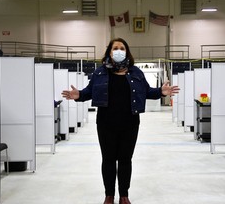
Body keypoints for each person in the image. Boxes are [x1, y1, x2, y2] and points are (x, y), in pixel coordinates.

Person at [61, 38, 179, 204]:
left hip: (130, 123)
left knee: (125, 160)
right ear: (109, 51)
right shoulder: (99, 72)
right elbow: (88, 92)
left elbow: (147, 92)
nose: (118, 50)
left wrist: (161, 91)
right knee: (108, 159)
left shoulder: (136, 72)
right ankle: (109, 195)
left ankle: (124, 195)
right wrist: (78, 95)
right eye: (115, 48)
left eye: (122, 48)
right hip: (105, 123)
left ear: (126, 51)